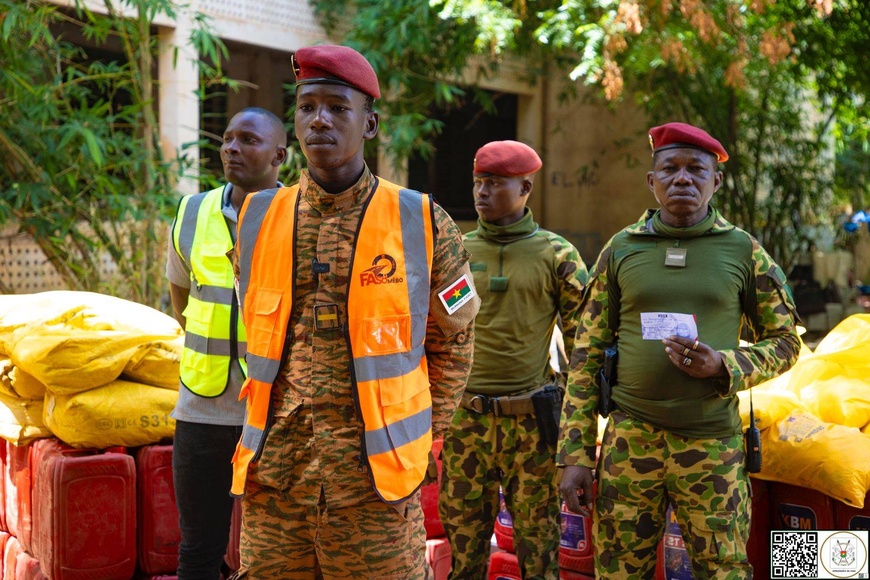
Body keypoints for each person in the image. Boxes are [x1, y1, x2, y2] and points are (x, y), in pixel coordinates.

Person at [229, 44, 480, 579]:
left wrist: (412, 440)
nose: (319, 119)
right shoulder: (255, 218)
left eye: (337, 107)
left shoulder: (422, 221)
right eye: (307, 106)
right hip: (277, 480)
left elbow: (454, 343)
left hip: (376, 489)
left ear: (369, 123)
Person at [558, 122, 801, 579]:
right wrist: (574, 455)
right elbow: (586, 354)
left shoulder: (744, 252)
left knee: (723, 570)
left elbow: (788, 342)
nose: (682, 178)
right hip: (630, 442)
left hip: (712, 445)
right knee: (617, 570)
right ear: (652, 182)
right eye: (669, 168)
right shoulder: (621, 250)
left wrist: (726, 364)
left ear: (717, 180)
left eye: (696, 169)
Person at [439, 140, 588, 579]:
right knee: (463, 556)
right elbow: (434, 337)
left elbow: (586, 347)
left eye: (495, 183)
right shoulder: (456, 252)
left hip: (532, 426)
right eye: (478, 182)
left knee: (539, 554)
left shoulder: (556, 254)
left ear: (525, 188)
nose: (482, 192)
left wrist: (572, 431)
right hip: (467, 422)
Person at [166, 107, 288, 579]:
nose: (232, 148)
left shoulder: (301, 215)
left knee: (274, 553)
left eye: (248, 140)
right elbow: (182, 293)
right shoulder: (192, 212)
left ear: (279, 154)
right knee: (199, 549)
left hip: (277, 410)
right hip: (201, 408)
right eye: (227, 139)